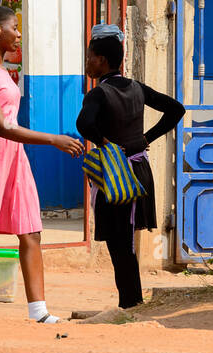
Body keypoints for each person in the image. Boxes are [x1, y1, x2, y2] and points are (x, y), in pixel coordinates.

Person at [0, 4, 83, 323]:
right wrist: (53, 139)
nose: (18, 33)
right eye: (14, 27)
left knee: (30, 231)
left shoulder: (1, 70)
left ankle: (38, 309)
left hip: (14, 156)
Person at [76, 27, 184, 309]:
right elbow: (176, 109)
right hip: (140, 173)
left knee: (119, 245)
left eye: (90, 57)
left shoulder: (99, 93)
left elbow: (83, 124)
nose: (87, 62)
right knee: (128, 242)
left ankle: (130, 303)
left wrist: (104, 142)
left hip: (116, 176)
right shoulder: (137, 88)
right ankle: (132, 301)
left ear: (101, 60)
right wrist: (146, 138)